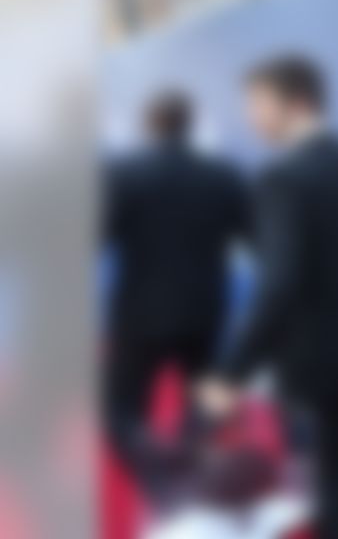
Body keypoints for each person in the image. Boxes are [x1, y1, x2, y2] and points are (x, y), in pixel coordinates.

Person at [197, 54, 338, 539]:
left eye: (259, 103)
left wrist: (230, 374)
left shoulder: (280, 179)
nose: (251, 117)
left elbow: (278, 284)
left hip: (320, 363)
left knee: (336, 487)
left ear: (297, 103)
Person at [103, 90, 250, 499]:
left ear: (148, 124)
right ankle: (189, 461)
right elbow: (252, 236)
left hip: (139, 314)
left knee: (121, 408)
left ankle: (157, 477)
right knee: (203, 398)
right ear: (191, 123)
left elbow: (97, 235)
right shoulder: (224, 174)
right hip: (205, 311)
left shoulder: (122, 172)